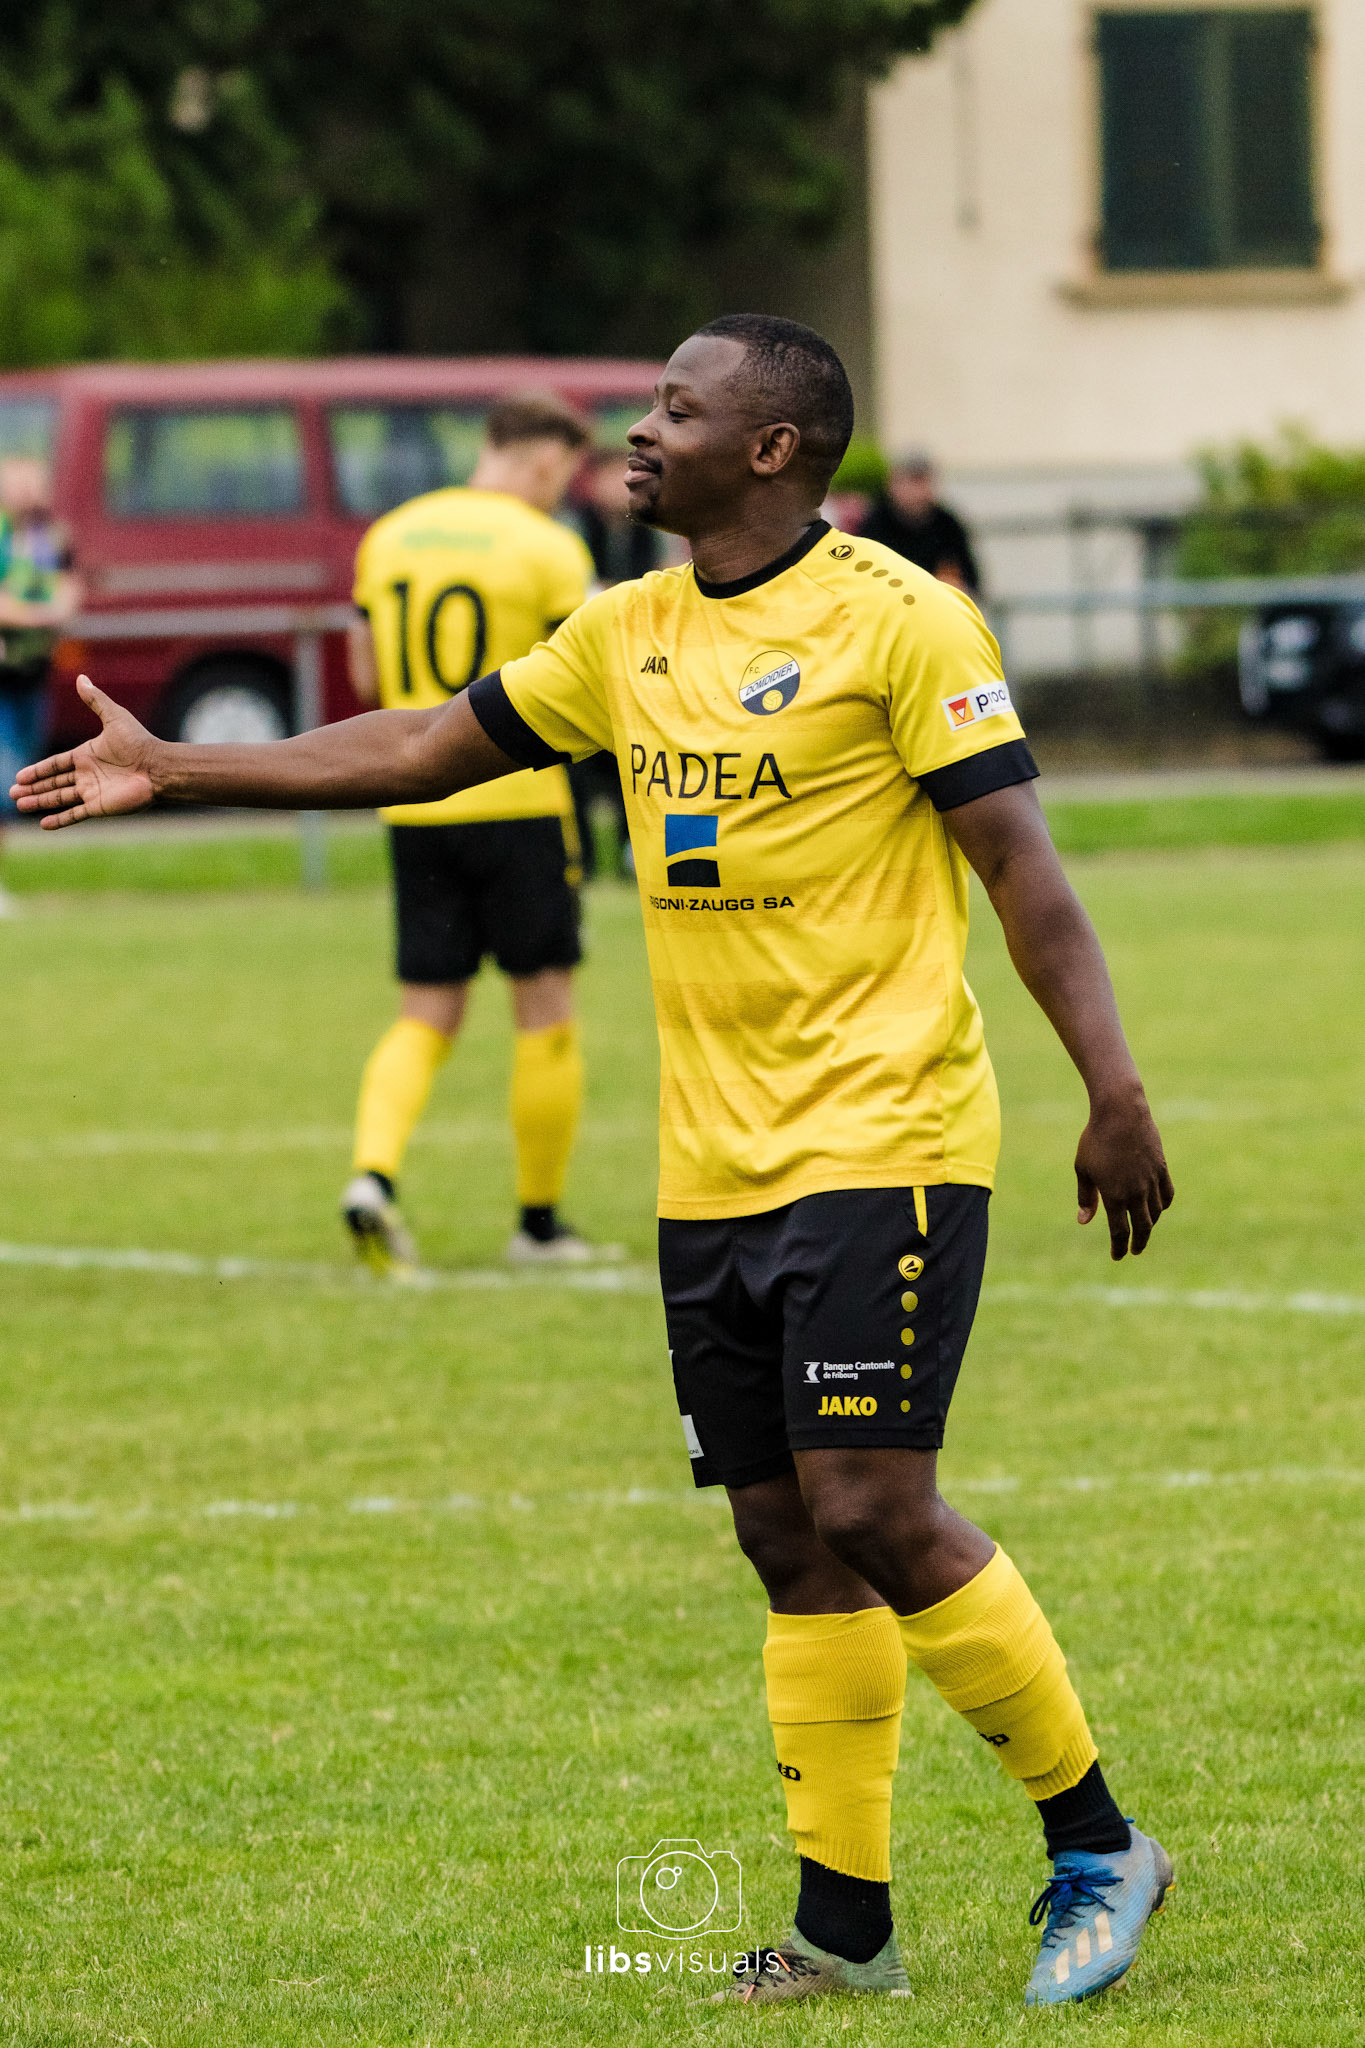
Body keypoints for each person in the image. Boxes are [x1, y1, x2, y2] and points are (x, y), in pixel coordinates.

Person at [13, 314, 1176, 2010]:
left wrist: (1116, 1085)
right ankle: (847, 1923)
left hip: (887, 1132)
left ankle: (1097, 1841)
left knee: (873, 1500)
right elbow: (424, 744)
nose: (637, 433)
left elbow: (1023, 868)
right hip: (712, 1168)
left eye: (677, 411)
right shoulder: (622, 629)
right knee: (786, 1533)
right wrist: (182, 765)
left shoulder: (904, 622)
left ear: (773, 448)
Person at [343, 391, 610, 1274]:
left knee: (425, 1010)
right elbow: (585, 675)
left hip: (412, 802)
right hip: (518, 805)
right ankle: (537, 1224)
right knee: (544, 1007)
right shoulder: (546, 547)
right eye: (564, 472)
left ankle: (373, 1175)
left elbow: (364, 669)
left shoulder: (389, 536)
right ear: (541, 461)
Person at [567, 446, 661, 879]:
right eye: (609, 476)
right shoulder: (573, 526)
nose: (618, 486)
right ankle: (582, 860)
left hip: (634, 662)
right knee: (577, 770)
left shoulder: (646, 525)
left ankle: (632, 856)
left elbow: (656, 584)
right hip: (587, 664)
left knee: (637, 765)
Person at [0, 456, 81, 917]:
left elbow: (69, 591)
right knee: (2, 783)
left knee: (20, 777)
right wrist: (41, 614)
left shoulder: (51, 538)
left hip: (34, 675)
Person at [861, 451, 981, 594]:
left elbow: (971, 579)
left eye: (923, 481)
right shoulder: (875, 522)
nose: (918, 491)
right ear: (893, 484)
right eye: (912, 482)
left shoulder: (948, 524)